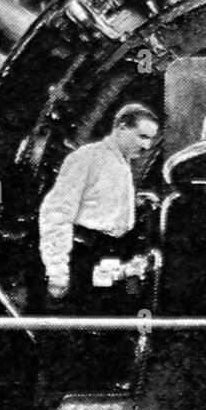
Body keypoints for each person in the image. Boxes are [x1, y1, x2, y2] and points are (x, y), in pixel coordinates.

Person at [38, 102, 160, 307]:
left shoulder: (122, 162)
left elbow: (96, 201)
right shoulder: (87, 158)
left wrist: (136, 202)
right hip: (86, 259)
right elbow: (56, 212)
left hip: (111, 258)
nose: (147, 145)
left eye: (151, 139)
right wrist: (57, 270)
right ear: (121, 127)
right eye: (142, 136)